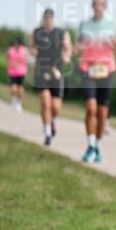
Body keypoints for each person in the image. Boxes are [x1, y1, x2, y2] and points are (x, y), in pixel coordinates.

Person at [75, 0, 116, 163]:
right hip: (88, 68)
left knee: (102, 112)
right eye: (96, 3)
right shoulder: (85, 24)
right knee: (90, 107)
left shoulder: (113, 24)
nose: (98, 6)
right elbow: (77, 46)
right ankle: (90, 145)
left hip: (106, 70)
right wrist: (75, 49)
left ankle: (97, 145)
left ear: (105, 6)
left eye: (101, 4)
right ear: (92, 5)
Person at [30, 8, 72, 146]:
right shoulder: (36, 32)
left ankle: (51, 120)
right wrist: (34, 51)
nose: (48, 19)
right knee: (45, 101)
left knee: (55, 107)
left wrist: (66, 56)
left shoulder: (61, 33)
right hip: (42, 70)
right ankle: (48, 133)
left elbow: (68, 49)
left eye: (50, 17)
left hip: (56, 71)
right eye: (46, 17)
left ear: (53, 19)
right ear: (43, 18)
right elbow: (31, 48)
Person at [6, 37, 28, 112]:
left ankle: (19, 103)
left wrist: (18, 64)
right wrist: (11, 63)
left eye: (17, 43)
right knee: (13, 88)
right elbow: (7, 57)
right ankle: (13, 100)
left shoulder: (24, 50)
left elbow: (25, 59)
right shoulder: (11, 49)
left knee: (20, 89)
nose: (16, 45)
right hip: (12, 72)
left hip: (21, 72)